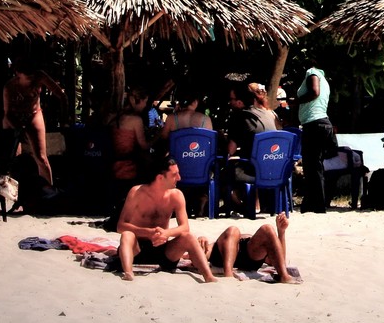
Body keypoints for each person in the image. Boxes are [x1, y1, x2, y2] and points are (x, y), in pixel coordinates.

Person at [115, 155, 218, 283]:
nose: (179, 178)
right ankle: (128, 273)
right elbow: (121, 226)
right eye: (174, 175)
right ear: (160, 178)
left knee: (188, 237)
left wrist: (166, 233)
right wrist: (148, 232)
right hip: (137, 248)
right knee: (127, 235)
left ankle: (208, 276)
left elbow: (185, 227)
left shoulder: (176, 195)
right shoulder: (137, 192)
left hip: (162, 248)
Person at [2, 60, 64, 195]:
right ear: (18, 74)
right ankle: (16, 194)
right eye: (28, 77)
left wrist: (65, 114)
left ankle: (49, 192)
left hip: (34, 113)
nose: (31, 80)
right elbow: (8, 114)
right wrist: (18, 129)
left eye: (32, 76)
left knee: (41, 157)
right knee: (14, 158)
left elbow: (60, 94)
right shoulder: (9, 87)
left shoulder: (39, 76)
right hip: (14, 117)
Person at [221, 82, 274, 213]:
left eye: (232, 99)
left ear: (240, 102)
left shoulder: (240, 116)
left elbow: (230, 150)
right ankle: (251, 203)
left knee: (222, 173)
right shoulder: (267, 113)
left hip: (255, 172)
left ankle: (239, 205)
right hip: (275, 169)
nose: (230, 102)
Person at [206, 212, 296, 282]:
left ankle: (284, 276)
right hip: (223, 253)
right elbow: (201, 252)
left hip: (248, 254)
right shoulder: (213, 247)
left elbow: (276, 260)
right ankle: (228, 274)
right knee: (233, 230)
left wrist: (281, 232)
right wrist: (201, 240)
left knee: (267, 229)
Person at [296, 65, 336, 213]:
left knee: (312, 166)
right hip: (322, 124)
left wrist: (297, 101)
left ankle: (318, 204)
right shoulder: (324, 79)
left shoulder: (312, 72)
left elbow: (314, 92)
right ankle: (312, 202)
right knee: (314, 166)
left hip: (314, 124)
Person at [112, 88, 153, 203]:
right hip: (129, 165)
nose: (145, 106)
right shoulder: (135, 120)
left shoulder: (115, 117)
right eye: (145, 102)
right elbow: (143, 145)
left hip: (113, 163)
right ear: (138, 101)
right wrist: (158, 137)